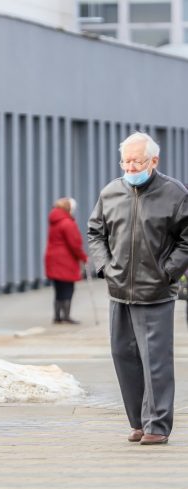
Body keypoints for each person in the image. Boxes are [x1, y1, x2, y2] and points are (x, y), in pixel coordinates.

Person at [88, 132, 188, 445]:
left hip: (156, 293)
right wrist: (105, 267)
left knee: (155, 360)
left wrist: (168, 272)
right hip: (119, 291)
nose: (130, 166)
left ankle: (157, 425)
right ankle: (139, 422)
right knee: (123, 355)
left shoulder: (174, 193)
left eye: (137, 161)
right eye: (126, 161)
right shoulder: (111, 192)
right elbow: (95, 233)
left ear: (153, 161)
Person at [44, 197, 87, 324]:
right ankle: (66, 316)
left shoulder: (54, 221)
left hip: (53, 258)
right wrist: (83, 257)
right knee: (68, 288)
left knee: (58, 289)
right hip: (65, 260)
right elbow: (75, 244)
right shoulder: (67, 223)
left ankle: (57, 316)